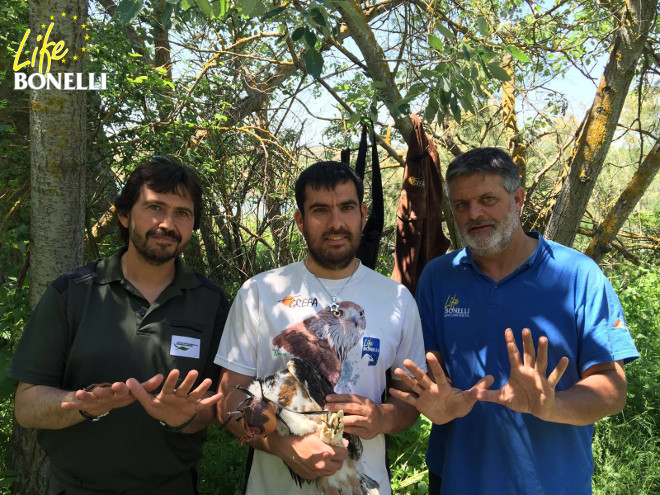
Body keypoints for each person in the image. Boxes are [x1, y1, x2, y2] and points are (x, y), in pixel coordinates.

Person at [389, 147, 639, 494]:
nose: (474, 213)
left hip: (551, 483)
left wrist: (554, 404)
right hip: (455, 479)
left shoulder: (579, 276)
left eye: (487, 199)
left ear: (518, 198)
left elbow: (613, 388)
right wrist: (437, 407)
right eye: (461, 204)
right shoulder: (438, 277)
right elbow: (429, 376)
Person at [7, 156, 229, 494]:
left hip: (172, 487)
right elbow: (26, 406)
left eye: (182, 213)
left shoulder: (210, 302)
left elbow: (218, 403)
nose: (167, 223)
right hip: (76, 488)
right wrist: (81, 405)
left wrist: (183, 417)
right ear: (124, 215)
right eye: (155, 207)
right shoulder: (72, 293)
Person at [215, 161, 426, 494]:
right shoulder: (258, 292)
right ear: (300, 220)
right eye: (320, 210)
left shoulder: (397, 299)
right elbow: (227, 399)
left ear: (362, 213)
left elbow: (411, 402)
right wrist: (280, 446)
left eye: (346, 208)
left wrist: (382, 417)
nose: (336, 223)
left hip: (361, 483)